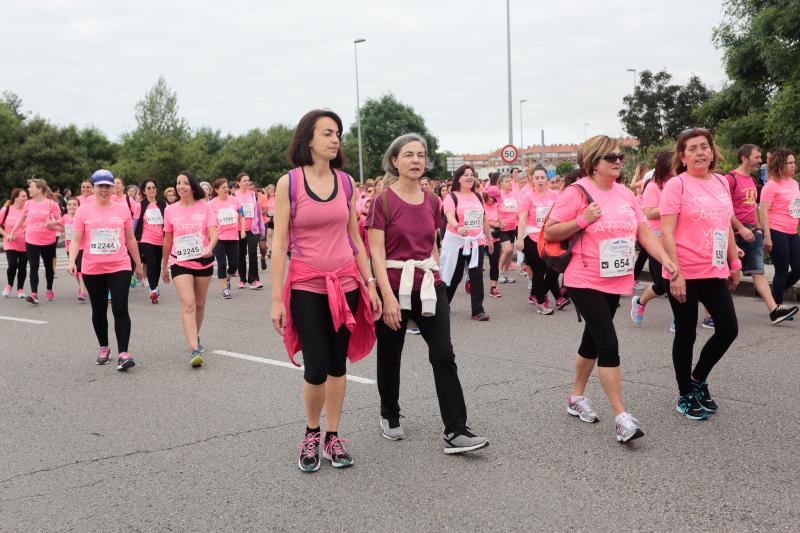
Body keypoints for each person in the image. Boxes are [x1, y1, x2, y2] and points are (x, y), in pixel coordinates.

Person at [544, 135, 676, 442]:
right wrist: (581, 219)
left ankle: (575, 397)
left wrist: (666, 259)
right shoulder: (576, 193)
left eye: (620, 157)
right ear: (592, 163)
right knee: (608, 343)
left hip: (616, 280)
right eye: (611, 158)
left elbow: (644, 233)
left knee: (592, 340)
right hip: (583, 278)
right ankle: (621, 417)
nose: (618, 161)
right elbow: (550, 230)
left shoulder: (625, 194)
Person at [270, 109, 380, 473]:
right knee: (315, 366)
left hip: (346, 282)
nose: (335, 140)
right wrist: (275, 299)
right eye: (328, 133)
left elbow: (355, 238)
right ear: (308, 139)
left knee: (337, 363)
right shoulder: (290, 183)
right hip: (306, 285)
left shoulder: (347, 183)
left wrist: (370, 284)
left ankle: (333, 435)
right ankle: (312, 432)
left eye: (338, 134)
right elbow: (279, 242)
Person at [367, 133, 489, 454]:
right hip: (394, 286)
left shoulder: (433, 201)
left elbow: (433, 245)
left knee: (443, 353)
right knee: (391, 356)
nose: (416, 160)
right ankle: (389, 412)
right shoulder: (383, 202)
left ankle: (456, 430)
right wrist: (387, 297)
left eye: (420, 155)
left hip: (428, 285)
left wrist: (438, 275)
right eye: (408, 155)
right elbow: (376, 253)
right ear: (394, 161)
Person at [660, 128, 741, 421]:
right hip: (684, 270)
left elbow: (725, 226)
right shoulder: (676, 186)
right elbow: (666, 232)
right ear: (682, 156)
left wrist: (734, 263)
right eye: (692, 148)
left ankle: (698, 379)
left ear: (712, 151)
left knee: (729, 328)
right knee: (687, 332)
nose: (699, 153)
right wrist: (675, 273)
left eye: (704, 147)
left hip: (713, 268)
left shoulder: (721, 182)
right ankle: (684, 394)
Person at [68, 169, 144, 371]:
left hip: (119, 264)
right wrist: (71, 261)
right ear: (93, 188)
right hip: (92, 267)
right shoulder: (83, 210)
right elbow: (76, 239)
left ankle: (123, 353)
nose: (103, 189)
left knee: (120, 308)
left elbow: (129, 238)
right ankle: (104, 347)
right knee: (99, 310)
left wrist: (137, 264)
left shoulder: (122, 209)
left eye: (107, 186)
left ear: (112, 187)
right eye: (99, 186)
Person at [723, 144, 798, 324]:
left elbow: (753, 208)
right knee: (725, 276)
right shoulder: (730, 179)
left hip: (753, 233)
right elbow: (724, 209)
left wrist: (758, 229)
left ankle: (775, 310)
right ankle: (709, 314)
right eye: (757, 157)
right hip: (733, 233)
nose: (761, 161)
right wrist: (742, 228)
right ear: (744, 158)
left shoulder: (752, 180)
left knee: (759, 272)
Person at [161, 171, 218, 366]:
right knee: (188, 304)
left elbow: (213, 232)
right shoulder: (170, 210)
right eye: (178, 183)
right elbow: (167, 239)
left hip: (203, 261)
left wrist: (209, 247)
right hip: (180, 262)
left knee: (200, 305)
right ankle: (194, 349)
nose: (181, 186)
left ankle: (196, 335)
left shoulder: (206, 208)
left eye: (185, 183)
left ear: (193, 186)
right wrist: (164, 267)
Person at [440, 164, 492, 321]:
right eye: (466, 175)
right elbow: (449, 216)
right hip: (457, 241)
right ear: (459, 179)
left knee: (476, 276)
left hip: (476, 241)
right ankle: (443, 305)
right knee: (454, 276)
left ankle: (478, 311)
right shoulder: (452, 197)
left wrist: (489, 238)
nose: (470, 177)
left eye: (472, 174)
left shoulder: (478, 196)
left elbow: (483, 219)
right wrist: (457, 226)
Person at [631, 152, 675, 326]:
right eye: (675, 163)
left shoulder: (678, 183)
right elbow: (648, 212)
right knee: (662, 285)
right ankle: (640, 302)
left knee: (675, 279)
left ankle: (678, 318)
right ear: (665, 165)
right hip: (656, 240)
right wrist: (670, 206)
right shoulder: (653, 186)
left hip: (674, 239)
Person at [516, 165, 565, 314]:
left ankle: (537, 293)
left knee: (554, 269)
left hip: (550, 236)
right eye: (537, 178)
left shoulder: (555, 195)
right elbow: (523, 218)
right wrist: (520, 239)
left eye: (542, 177)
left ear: (547, 178)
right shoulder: (528, 196)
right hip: (532, 236)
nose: (540, 180)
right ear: (532, 179)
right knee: (539, 270)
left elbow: (562, 214)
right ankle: (542, 303)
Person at [6, 179, 62, 305]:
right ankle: (34, 294)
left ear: (40, 189)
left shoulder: (51, 204)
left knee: (49, 267)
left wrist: (54, 225)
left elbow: (60, 221)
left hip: (48, 240)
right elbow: (22, 218)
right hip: (31, 239)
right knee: (34, 266)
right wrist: (13, 231)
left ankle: (49, 289)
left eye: (31, 187)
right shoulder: (28, 203)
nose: (29, 189)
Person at [760, 148, 800, 309]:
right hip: (777, 230)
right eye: (789, 163)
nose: (793, 166)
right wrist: (767, 236)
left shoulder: (794, 183)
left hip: (792, 232)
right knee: (782, 269)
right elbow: (762, 211)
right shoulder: (771, 185)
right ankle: (777, 306)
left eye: (794, 162)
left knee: (798, 269)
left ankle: (773, 294)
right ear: (780, 164)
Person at [132, 179, 167, 304]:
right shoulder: (140, 205)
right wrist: (131, 238)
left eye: (153, 187)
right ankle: (152, 290)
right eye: (148, 188)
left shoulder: (163, 204)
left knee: (157, 265)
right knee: (151, 263)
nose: (151, 190)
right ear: (144, 191)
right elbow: (135, 223)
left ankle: (155, 287)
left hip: (161, 240)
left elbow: (168, 221)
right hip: (146, 239)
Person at [209, 178, 244, 300]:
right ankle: (225, 289)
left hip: (233, 237)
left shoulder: (235, 201)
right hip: (219, 239)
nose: (226, 189)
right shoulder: (211, 204)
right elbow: (209, 223)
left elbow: (241, 215)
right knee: (222, 263)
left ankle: (228, 278)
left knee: (234, 264)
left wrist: (243, 230)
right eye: (223, 188)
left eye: (226, 187)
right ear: (217, 190)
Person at [234, 172, 264, 289]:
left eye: (248, 180)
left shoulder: (253, 195)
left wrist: (262, 230)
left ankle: (254, 280)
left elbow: (259, 214)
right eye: (244, 180)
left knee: (252, 253)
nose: (247, 182)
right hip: (239, 230)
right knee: (241, 254)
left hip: (253, 229)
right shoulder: (234, 196)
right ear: (238, 183)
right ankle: (242, 279)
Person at [1, 188, 29, 298]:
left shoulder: (27, 211)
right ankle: (9, 285)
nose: (26, 198)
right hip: (10, 243)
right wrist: (7, 234)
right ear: (16, 197)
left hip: (25, 243)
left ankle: (20, 289)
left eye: (26, 196)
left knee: (22, 266)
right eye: (23, 196)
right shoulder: (6, 210)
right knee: (12, 265)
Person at [496, 175, 519, 283]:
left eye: (510, 181)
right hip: (502, 228)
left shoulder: (513, 194)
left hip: (513, 227)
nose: (510, 183)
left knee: (510, 252)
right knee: (508, 249)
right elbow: (493, 210)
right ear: (501, 184)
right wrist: (499, 221)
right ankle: (499, 271)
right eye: (507, 181)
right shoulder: (498, 196)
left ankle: (505, 273)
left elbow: (517, 209)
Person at [484, 186, 503, 297]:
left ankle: (493, 287)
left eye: (496, 199)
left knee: (494, 262)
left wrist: (500, 223)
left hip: (494, 237)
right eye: (493, 198)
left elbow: (500, 218)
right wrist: (492, 224)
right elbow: (480, 219)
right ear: (488, 196)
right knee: (476, 265)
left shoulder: (496, 205)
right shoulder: (480, 203)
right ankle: (470, 281)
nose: (494, 201)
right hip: (481, 238)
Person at [260, 184, 276, 268]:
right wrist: (268, 217)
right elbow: (264, 209)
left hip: (276, 217)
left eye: (272, 189)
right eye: (270, 189)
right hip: (268, 218)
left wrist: (274, 216)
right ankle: (270, 250)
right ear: (267, 190)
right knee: (269, 234)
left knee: (275, 235)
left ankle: (273, 249)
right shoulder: (265, 198)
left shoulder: (277, 197)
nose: (271, 191)